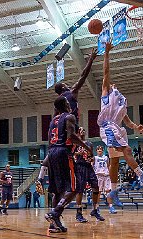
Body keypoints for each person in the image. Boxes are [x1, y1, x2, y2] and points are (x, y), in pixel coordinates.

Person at [36, 49, 98, 186]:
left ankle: (40, 177)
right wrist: (91, 60)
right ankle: (75, 177)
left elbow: (53, 120)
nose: (67, 84)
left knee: (56, 150)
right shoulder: (72, 93)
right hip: (70, 125)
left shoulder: (57, 103)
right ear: (63, 87)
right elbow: (83, 76)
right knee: (70, 149)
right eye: (65, 84)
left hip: (57, 130)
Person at [97, 42, 143, 207]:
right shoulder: (105, 92)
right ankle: (142, 175)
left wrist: (136, 127)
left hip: (116, 127)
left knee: (115, 162)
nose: (113, 85)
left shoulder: (120, 101)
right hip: (107, 126)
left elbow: (126, 120)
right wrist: (106, 53)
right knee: (126, 150)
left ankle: (113, 193)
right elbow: (106, 72)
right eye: (111, 85)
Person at [44, 96, 93, 233]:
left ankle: (54, 224)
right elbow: (71, 136)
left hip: (51, 152)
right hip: (63, 152)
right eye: (67, 102)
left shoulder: (53, 121)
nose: (69, 104)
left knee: (58, 190)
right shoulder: (69, 117)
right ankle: (55, 212)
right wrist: (86, 147)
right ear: (65, 105)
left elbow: (49, 140)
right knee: (75, 186)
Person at [74, 127, 104, 223]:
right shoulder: (75, 143)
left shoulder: (89, 144)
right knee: (80, 190)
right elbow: (71, 154)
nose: (82, 131)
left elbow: (91, 156)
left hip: (88, 167)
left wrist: (91, 159)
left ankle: (95, 210)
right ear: (77, 133)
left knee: (96, 187)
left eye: (83, 130)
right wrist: (78, 153)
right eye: (80, 130)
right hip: (79, 167)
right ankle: (79, 213)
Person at [93, 145, 117, 214]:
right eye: (98, 149)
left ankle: (111, 207)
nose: (100, 150)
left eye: (101, 149)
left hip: (106, 176)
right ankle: (97, 207)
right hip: (98, 176)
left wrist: (110, 174)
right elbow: (92, 166)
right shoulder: (95, 158)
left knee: (108, 191)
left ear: (103, 150)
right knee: (98, 192)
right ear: (96, 151)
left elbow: (109, 165)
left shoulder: (106, 157)